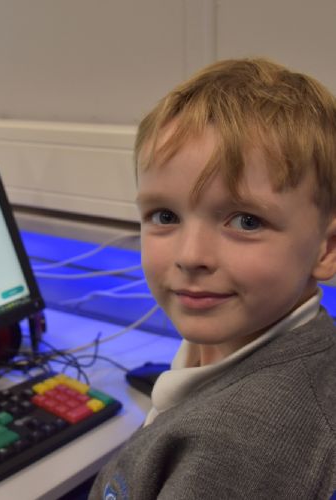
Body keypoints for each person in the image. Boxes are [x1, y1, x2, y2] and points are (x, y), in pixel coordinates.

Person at [88, 58, 336, 499]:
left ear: (327, 249)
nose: (191, 256)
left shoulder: (235, 448)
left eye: (245, 221)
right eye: (165, 216)